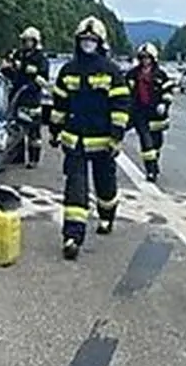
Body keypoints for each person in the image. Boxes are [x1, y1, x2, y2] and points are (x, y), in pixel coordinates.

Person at [47, 16, 130, 260]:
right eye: (84, 40)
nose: (88, 44)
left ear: (100, 42)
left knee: (105, 185)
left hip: (103, 142)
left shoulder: (111, 71)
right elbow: (60, 103)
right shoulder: (68, 70)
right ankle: (72, 236)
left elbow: (121, 105)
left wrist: (116, 137)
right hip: (75, 141)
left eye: (92, 40)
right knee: (76, 187)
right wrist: (54, 129)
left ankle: (106, 216)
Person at [0, 26, 50, 168]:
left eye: (29, 41)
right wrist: (8, 68)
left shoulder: (40, 58)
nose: (27, 43)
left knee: (33, 132)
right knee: (16, 129)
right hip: (17, 96)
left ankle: (34, 159)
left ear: (35, 42)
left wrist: (30, 82)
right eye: (25, 40)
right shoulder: (19, 55)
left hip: (32, 99)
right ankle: (17, 157)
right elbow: (11, 73)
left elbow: (42, 79)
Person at [125, 42, 174, 182]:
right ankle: (151, 170)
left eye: (148, 58)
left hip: (156, 116)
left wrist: (164, 104)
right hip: (139, 113)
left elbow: (168, 92)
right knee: (146, 144)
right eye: (142, 57)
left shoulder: (161, 75)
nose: (145, 60)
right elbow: (125, 92)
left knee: (156, 144)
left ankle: (154, 164)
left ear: (153, 58)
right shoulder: (132, 74)